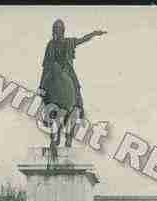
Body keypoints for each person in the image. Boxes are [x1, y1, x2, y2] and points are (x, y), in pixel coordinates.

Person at [38, 19, 107, 147]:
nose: (57, 32)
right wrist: (41, 86)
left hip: (67, 71)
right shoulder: (51, 44)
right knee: (44, 93)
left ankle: (79, 106)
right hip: (53, 71)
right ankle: (46, 114)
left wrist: (93, 34)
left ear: (62, 31)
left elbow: (82, 40)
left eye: (59, 30)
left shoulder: (69, 42)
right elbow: (46, 64)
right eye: (56, 30)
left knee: (76, 86)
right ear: (54, 31)